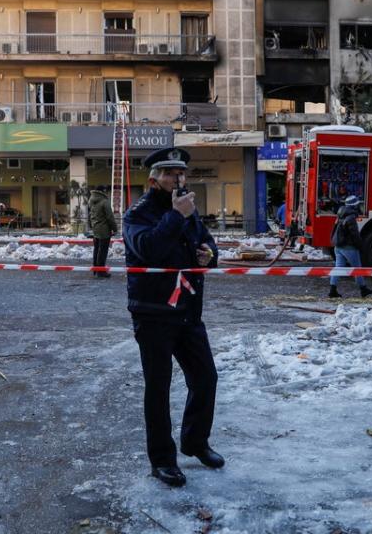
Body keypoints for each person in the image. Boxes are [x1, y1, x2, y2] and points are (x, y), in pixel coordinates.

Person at [123, 147, 222, 488]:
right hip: (153, 314)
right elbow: (147, 249)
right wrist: (176, 216)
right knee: (159, 388)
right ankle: (163, 460)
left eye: (181, 173)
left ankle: (195, 443)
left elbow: (208, 244)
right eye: (169, 173)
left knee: (206, 378)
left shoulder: (188, 210)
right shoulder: (138, 213)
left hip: (188, 311)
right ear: (153, 179)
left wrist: (209, 255)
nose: (177, 179)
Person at [329, 195, 372, 299]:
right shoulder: (351, 217)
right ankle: (363, 289)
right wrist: (361, 246)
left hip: (338, 246)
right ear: (354, 206)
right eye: (357, 205)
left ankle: (332, 290)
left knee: (338, 268)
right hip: (349, 247)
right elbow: (355, 235)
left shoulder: (341, 214)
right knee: (357, 268)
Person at [88, 185, 117, 278]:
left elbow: (90, 215)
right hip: (104, 230)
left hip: (95, 229)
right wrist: (115, 228)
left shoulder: (91, 200)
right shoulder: (105, 202)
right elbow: (110, 217)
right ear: (103, 191)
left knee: (96, 249)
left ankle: (95, 270)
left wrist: (91, 226)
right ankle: (101, 271)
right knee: (103, 251)